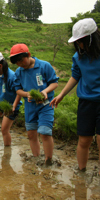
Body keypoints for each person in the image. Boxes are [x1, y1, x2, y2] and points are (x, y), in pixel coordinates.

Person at [50, 18, 100, 172]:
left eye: (81, 41)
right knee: (84, 140)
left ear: (91, 39)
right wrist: (62, 95)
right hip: (86, 102)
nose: (79, 45)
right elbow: (75, 76)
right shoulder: (78, 57)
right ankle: (81, 171)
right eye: (77, 42)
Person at [10, 43, 59, 164]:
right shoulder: (19, 72)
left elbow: (54, 83)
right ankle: (36, 159)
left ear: (28, 55)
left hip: (46, 105)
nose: (20, 64)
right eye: (17, 63)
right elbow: (18, 89)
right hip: (30, 106)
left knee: (45, 132)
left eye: (21, 60)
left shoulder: (44, 66)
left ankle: (48, 160)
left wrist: (45, 91)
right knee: (31, 134)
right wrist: (26, 94)